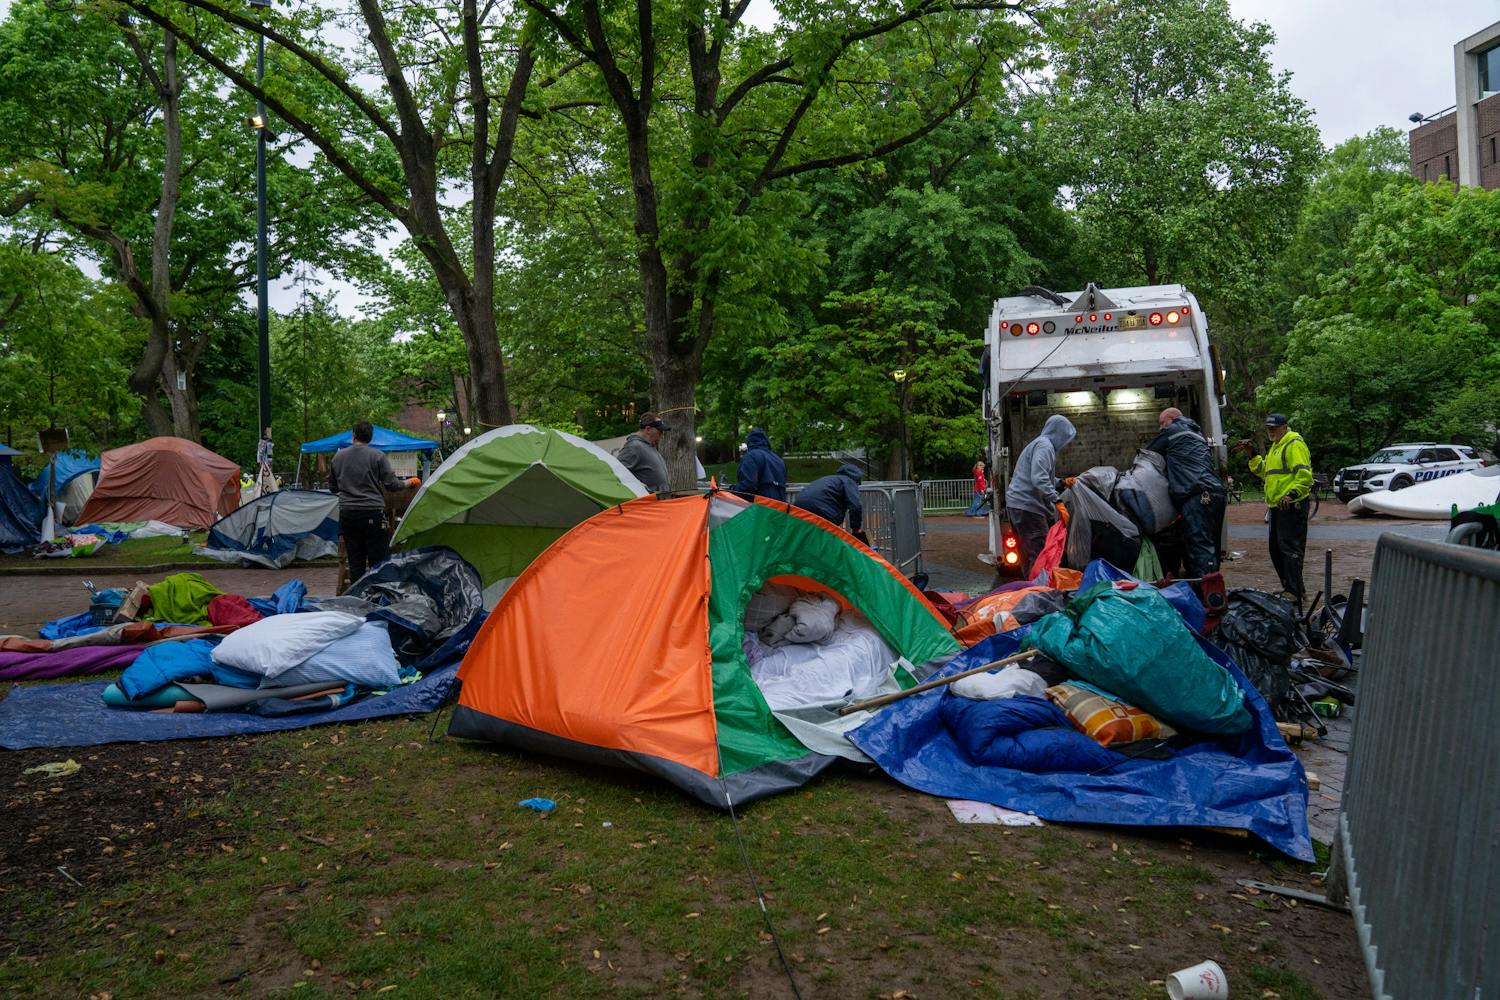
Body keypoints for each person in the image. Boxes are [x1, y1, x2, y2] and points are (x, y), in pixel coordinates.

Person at [330, 420, 419, 585]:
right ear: (370, 438)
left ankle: (357, 599)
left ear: (353, 435)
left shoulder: (338, 457)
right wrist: (409, 482)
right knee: (377, 563)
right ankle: (376, 597)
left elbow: (333, 488)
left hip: (348, 515)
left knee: (356, 562)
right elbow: (392, 485)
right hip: (372, 513)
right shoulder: (377, 456)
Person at [1237, 413, 1314, 604]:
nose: (1271, 431)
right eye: (1268, 428)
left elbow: (1304, 475)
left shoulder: (1293, 444)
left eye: (1274, 427)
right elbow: (1264, 471)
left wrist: (1292, 494)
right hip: (1277, 506)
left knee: (1290, 549)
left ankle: (1294, 591)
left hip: (1291, 505)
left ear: (1284, 427)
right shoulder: (1276, 447)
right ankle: (1295, 589)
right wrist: (1251, 453)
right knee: (1277, 549)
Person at [1147, 407, 1227, 577]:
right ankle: (1212, 589)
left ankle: (1204, 595)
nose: (1161, 428)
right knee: (1211, 543)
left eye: (1162, 423)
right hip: (1216, 492)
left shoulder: (1173, 430)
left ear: (1173, 418)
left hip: (1196, 494)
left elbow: (1148, 455)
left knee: (1199, 545)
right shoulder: (1197, 434)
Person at [1004, 415, 1076, 571]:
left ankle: (1031, 589)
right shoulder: (1045, 446)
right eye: (1064, 437)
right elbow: (1039, 478)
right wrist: (1057, 501)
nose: (1064, 442)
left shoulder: (1039, 444)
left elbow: (1040, 476)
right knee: (1038, 555)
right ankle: (1038, 591)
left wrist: (1062, 482)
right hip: (1029, 508)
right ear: (1058, 433)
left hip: (1019, 506)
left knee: (1028, 555)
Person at [795, 464, 866, 539]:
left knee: (809, 537)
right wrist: (856, 529)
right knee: (828, 539)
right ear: (857, 479)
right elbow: (855, 506)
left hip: (798, 507)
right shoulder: (849, 481)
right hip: (822, 509)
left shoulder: (830, 479)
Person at [616, 412, 670, 492]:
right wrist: (644, 490)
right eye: (659, 431)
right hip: (647, 502)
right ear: (648, 429)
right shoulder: (634, 446)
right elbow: (617, 474)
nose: (661, 435)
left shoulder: (650, 446)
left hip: (659, 501)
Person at [734, 428, 787, 501]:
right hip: (780, 508)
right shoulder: (779, 461)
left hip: (761, 508)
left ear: (749, 442)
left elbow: (748, 486)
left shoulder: (751, 456)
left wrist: (732, 490)